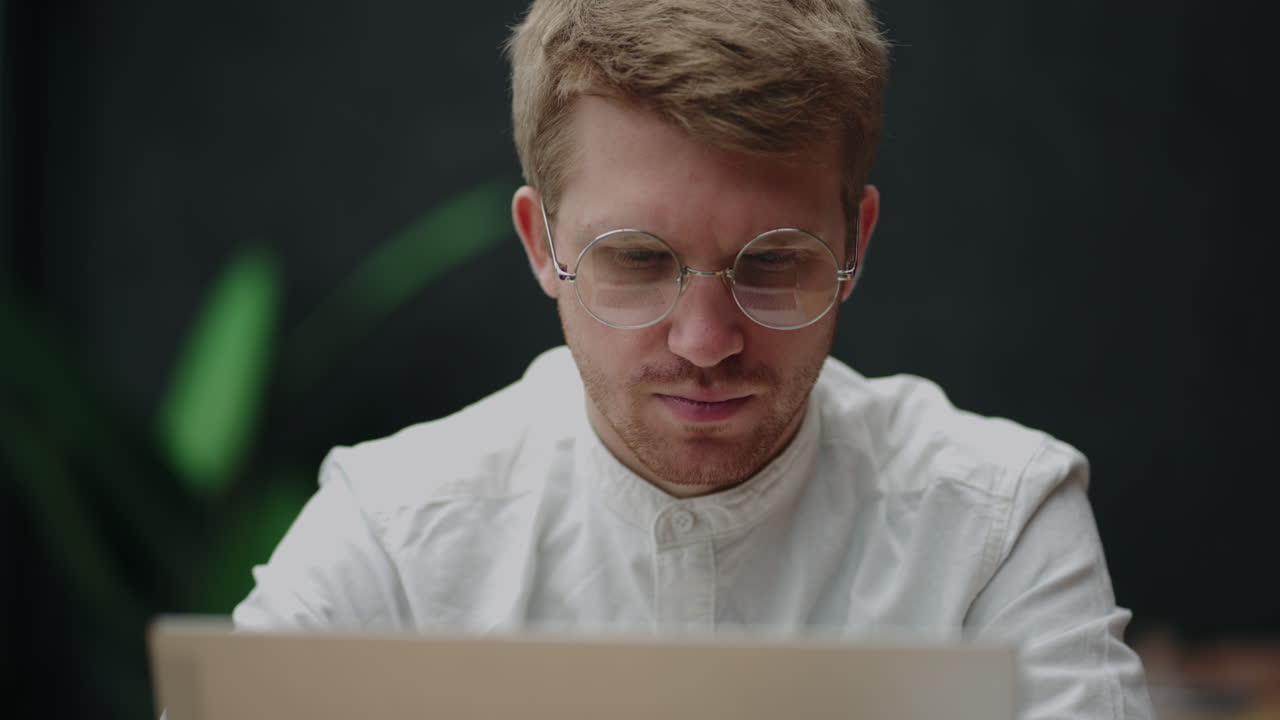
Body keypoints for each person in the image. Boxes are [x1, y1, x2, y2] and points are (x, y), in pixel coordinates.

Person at [233, 0, 1153, 716]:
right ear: (539, 243)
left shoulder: (998, 525)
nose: (706, 341)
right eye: (636, 260)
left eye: (775, 261)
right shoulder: (393, 535)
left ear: (856, 241)